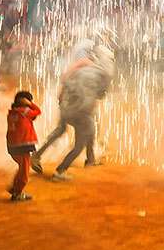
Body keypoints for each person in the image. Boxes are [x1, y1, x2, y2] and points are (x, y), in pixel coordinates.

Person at [48, 45, 115, 181]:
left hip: (69, 107)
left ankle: (90, 159)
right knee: (80, 144)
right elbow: (100, 95)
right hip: (82, 111)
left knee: (88, 130)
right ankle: (60, 171)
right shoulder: (100, 73)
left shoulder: (83, 68)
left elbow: (67, 83)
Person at [6, 91, 40, 202]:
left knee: (21, 168)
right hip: (22, 146)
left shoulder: (12, 112)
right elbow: (38, 111)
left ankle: (15, 187)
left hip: (12, 146)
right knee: (24, 172)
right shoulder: (25, 111)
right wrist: (30, 104)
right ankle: (18, 193)